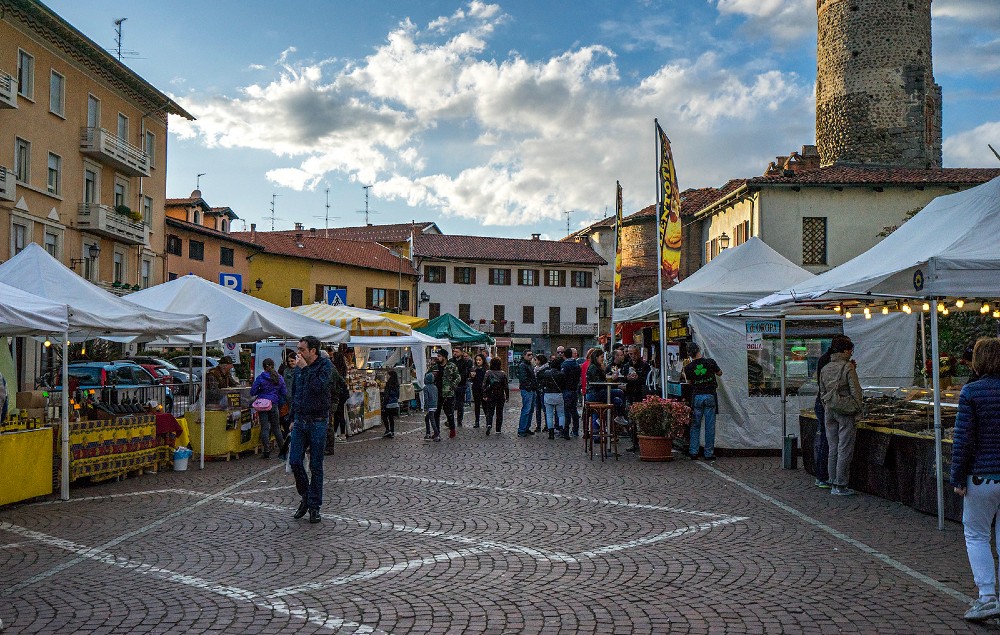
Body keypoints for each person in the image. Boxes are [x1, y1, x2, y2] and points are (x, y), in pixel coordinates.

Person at [951, 338, 1000, 622]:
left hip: (982, 476)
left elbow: (963, 440)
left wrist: (957, 477)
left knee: (977, 535)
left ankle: (987, 597)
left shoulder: (972, 391)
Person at [288, 336, 333, 524]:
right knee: (295, 461)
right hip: (300, 420)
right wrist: (292, 418)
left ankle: (314, 506)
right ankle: (306, 496)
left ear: (313, 351)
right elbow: (296, 393)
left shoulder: (325, 366)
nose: (298, 353)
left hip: (318, 420)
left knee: (316, 465)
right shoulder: (299, 369)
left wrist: (305, 369)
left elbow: (318, 388)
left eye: (302, 349)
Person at [818, 336, 862, 495]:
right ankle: (841, 485)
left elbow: (822, 391)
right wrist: (858, 409)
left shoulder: (826, 368)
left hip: (829, 410)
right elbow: (856, 391)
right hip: (845, 411)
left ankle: (831, 481)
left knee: (833, 447)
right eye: (850, 349)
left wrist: (828, 405)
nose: (851, 353)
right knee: (844, 448)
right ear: (844, 350)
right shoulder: (848, 367)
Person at [813, 337, 850, 488]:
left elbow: (822, 387)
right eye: (849, 349)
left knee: (830, 442)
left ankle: (825, 477)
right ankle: (831, 478)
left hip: (826, 404)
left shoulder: (824, 361)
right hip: (836, 406)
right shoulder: (840, 365)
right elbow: (853, 389)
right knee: (836, 445)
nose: (850, 353)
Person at [682, 343, 722, 462]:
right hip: (710, 395)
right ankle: (708, 453)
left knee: (695, 425)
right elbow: (720, 373)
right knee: (710, 426)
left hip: (697, 396)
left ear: (689, 354)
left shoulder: (688, 367)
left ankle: (693, 451)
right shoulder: (710, 362)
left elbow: (689, 382)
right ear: (699, 350)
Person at [250, 358, 286, 460]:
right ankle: (282, 450)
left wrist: (261, 391)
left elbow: (253, 392)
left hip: (262, 404)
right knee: (276, 428)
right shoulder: (279, 377)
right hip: (274, 403)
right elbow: (284, 392)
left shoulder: (261, 377)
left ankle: (266, 451)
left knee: (265, 428)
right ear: (273, 365)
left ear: (263, 366)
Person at [585, 349, 625, 433]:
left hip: (592, 394)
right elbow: (597, 383)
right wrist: (606, 376)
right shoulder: (594, 368)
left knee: (617, 401)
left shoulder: (594, 367)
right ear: (596, 358)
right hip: (595, 393)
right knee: (619, 392)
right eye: (602, 357)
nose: (603, 359)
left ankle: (597, 434)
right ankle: (620, 416)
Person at [622, 345, 651, 452]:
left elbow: (648, 380)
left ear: (638, 353)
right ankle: (634, 442)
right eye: (630, 354)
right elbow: (623, 378)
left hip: (640, 394)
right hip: (630, 394)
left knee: (642, 419)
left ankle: (643, 441)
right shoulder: (626, 365)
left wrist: (639, 378)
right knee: (630, 420)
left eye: (634, 353)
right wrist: (626, 378)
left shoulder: (644, 365)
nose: (632, 356)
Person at [537, 353, 567, 440]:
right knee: (561, 414)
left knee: (549, 415)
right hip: (558, 394)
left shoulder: (546, 373)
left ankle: (551, 433)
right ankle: (561, 430)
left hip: (548, 394)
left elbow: (541, 380)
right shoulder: (561, 374)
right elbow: (563, 385)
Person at [435, 349, 460, 438]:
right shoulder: (435, 366)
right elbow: (428, 375)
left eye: (439, 356)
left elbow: (458, 377)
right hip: (437, 392)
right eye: (437, 356)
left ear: (444, 357)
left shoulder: (451, 366)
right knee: (436, 412)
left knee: (448, 412)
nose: (437, 358)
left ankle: (452, 429)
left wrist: (452, 386)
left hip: (448, 393)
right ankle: (436, 431)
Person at [482, 358, 510, 435]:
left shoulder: (488, 372)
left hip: (491, 394)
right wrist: (507, 396)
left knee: (490, 411)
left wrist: (484, 394)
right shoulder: (503, 373)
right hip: (500, 394)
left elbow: (484, 385)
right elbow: (506, 386)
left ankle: (489, 424)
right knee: (499, 412)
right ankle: (498, 429)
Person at [516, 351, 538, 437]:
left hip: (531, 389)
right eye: (528, 355)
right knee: (526, 409)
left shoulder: (529, 365)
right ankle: (522, 429)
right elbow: (523, 379)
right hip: (527, 390)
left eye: (531, 355)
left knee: (530, 410)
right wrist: (529, 387)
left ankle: (526, 428)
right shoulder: (523, 365)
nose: (531, 356)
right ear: (524, 355)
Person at [561, 348, 582, 437]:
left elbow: (563, 377)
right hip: (574, 389)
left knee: (566, 411)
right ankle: (575, 430)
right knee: (574, 410)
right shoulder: (576, 364)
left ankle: (566, 431)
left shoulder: (565, 365)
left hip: (566, 389)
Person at [331, 349, 350, 440]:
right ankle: (341, 433)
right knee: (340, 413)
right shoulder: (342, 369)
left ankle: (340, 434)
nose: (332, 359)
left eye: (333, 357)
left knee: (338, 414)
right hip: (343, 394)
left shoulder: (336, 370)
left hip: (339, 394)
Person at [452, 348, 473, 427]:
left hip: (461, 385)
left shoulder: (465, 362)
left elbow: (465, 374)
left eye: (457, 352)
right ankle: (450, 420)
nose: (455, 353)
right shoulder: (451, 361)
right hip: (452, 386)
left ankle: (459, 421)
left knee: (460, 404)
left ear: (461, 353)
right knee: (451, 404)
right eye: (454, 351)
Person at [422, 368, 440, 441]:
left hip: (430, 406)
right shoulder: (435, 387)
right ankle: (428, 433)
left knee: (432, 420)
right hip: (435, 405)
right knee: (427, 419)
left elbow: (426, 398)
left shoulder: (426, 388)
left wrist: (426, 406)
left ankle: (436, 434)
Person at [470, 353, 487, 428]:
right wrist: (472, 376)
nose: (478, 361)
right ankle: (477, 421)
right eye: (477, 360)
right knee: (476, 405)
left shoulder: (486, 369)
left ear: (483, 360)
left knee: (484, 405)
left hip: (483, 389)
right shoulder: (474, 369)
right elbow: (472, 380)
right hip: (476, 388)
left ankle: (488, 421)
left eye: (479, 360)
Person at [381, 370, 399, 438]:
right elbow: (398, 394)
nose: (386, 376)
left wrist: (384, 405)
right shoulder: (397, 384)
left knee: (384, 416)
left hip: (388, 403)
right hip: (395, 403)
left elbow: (386, 395)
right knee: (391, 418)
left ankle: (387, 430)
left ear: (390, 376)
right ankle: (392, 431)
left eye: (387, 375)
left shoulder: (388, 384)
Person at [533, 352, 547, 432]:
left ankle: (546, 425)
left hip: (543, 390)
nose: (535, 361)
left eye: (536, 360)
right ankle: (538, 426)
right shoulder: (536, 369)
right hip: (537, 390)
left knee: (545, 409)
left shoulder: (545, 370)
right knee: (538, 409)